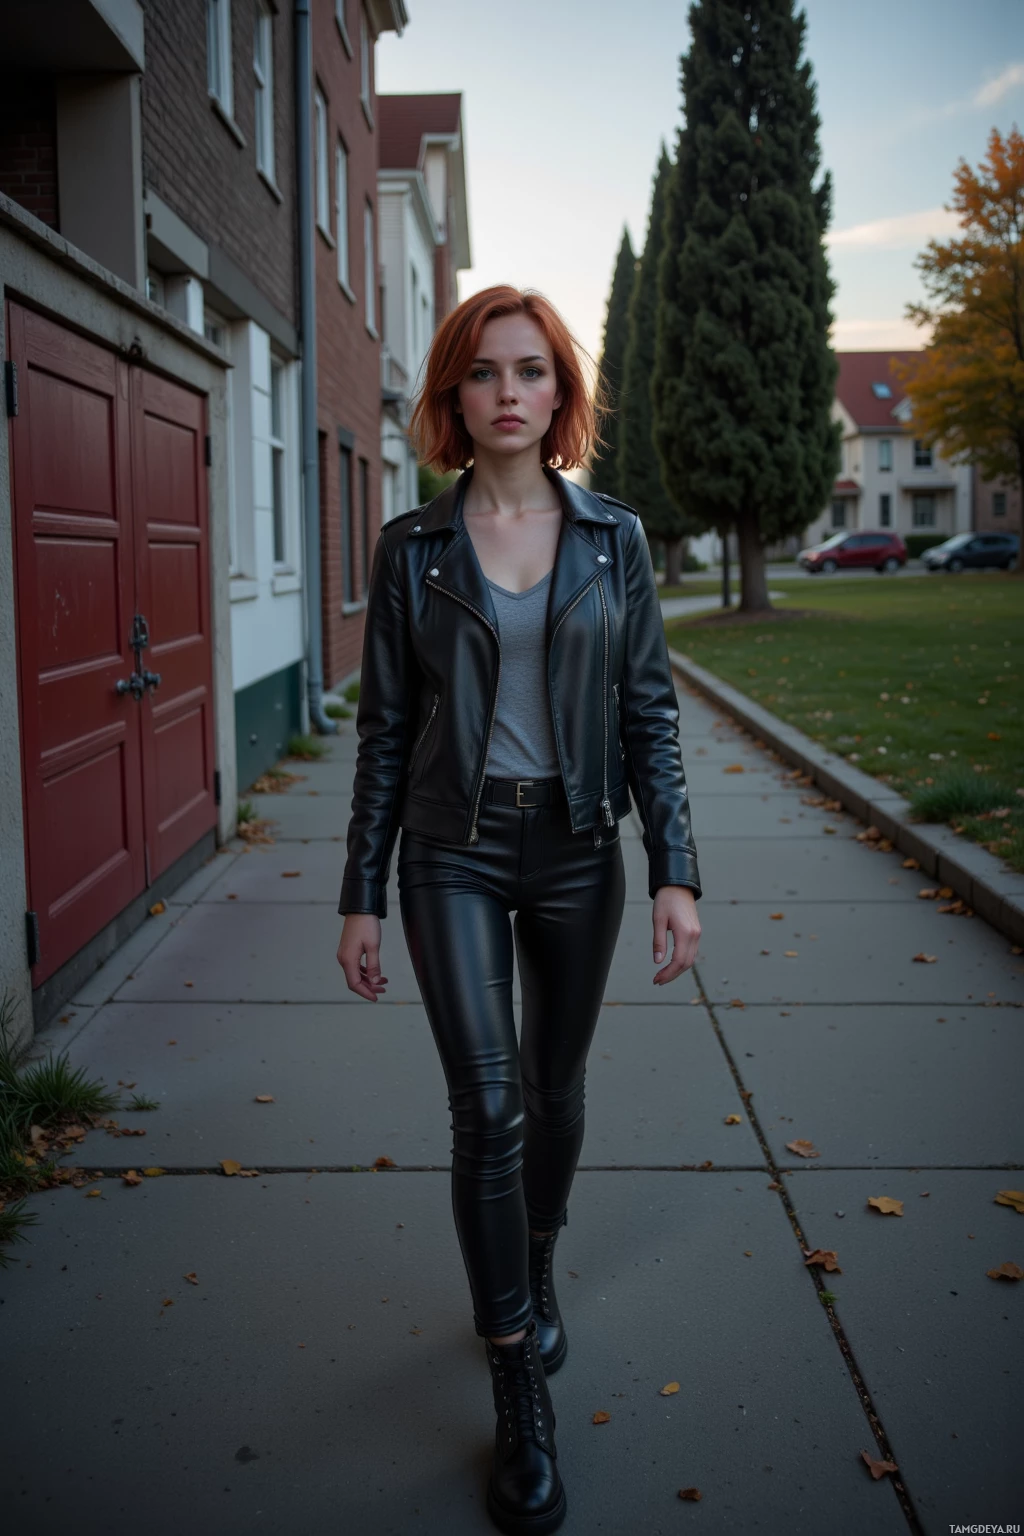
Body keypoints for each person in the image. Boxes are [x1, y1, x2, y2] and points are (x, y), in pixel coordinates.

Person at [336, 284, 701, 1535]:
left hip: (576, 851)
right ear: (453, 395)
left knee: (552, 1091)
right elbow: (385, 731)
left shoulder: (616, 542)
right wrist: (359, 896)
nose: (508, 391)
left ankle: (533, 1259)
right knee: (484, 1106)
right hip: (451, 850)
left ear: (559, 394)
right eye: (485, 372)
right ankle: (514, 1381)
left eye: (531, 371)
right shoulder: (412, 550)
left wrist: (676, 870)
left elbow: (649, 712)